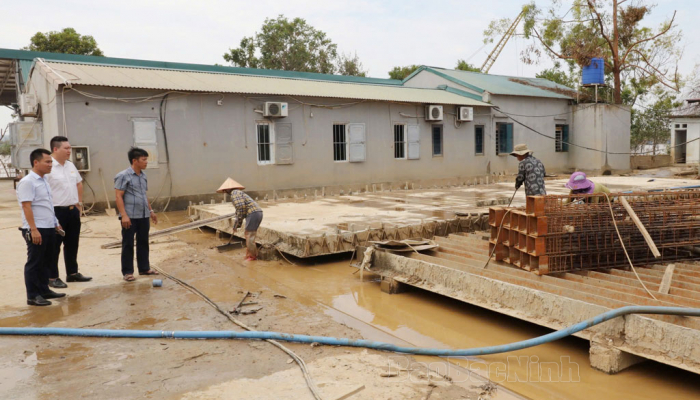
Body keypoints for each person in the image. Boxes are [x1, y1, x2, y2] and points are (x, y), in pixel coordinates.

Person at [17, 148, 67, 306]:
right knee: (35, 262)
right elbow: (26, 207)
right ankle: (33, 295)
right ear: (36, 162)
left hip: (48, 226)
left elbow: (47, 205)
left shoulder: (44, 180)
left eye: (51, 161)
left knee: (47, 260)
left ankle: (44, 290)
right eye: (47, 161)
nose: (51, 164)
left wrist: (55, 222)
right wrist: (33, 229)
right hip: (36, 228)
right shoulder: (27, 182)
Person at [45, 136, 92, 289]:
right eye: (66, 148)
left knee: (72, 243)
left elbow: (78, 183)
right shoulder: (48, 168)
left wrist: (79, 203)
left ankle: (72, 273)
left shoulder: (70, 165)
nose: (69, 151)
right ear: (55, 149)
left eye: (70, 148)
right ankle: (52, 277)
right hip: (56, 212)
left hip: (72, 211)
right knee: (54, 245)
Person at [114, 147, 159, 281]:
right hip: (130, 216)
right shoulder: (123, 176)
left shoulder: (143, 176)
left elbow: (143, 195)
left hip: (143, 215)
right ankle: (127, 272)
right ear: (135, 161)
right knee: (128, 243)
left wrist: (151, 211)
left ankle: (144, 268)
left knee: (143, 242)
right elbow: (118, 196)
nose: (146, 162)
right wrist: (124, 215)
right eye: (144, 160)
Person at [216, 178, 263, 261]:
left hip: (253, 213)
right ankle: (251, 255)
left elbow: (241, 208)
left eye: (225, 190)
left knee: (249, 235)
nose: (225, 192)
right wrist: (236, 225)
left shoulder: (234, 193)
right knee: (249, 234)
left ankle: (251, 257)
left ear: (227, 189)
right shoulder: (238, 193)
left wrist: (238, 223)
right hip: (256, 213)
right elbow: (239, 211)